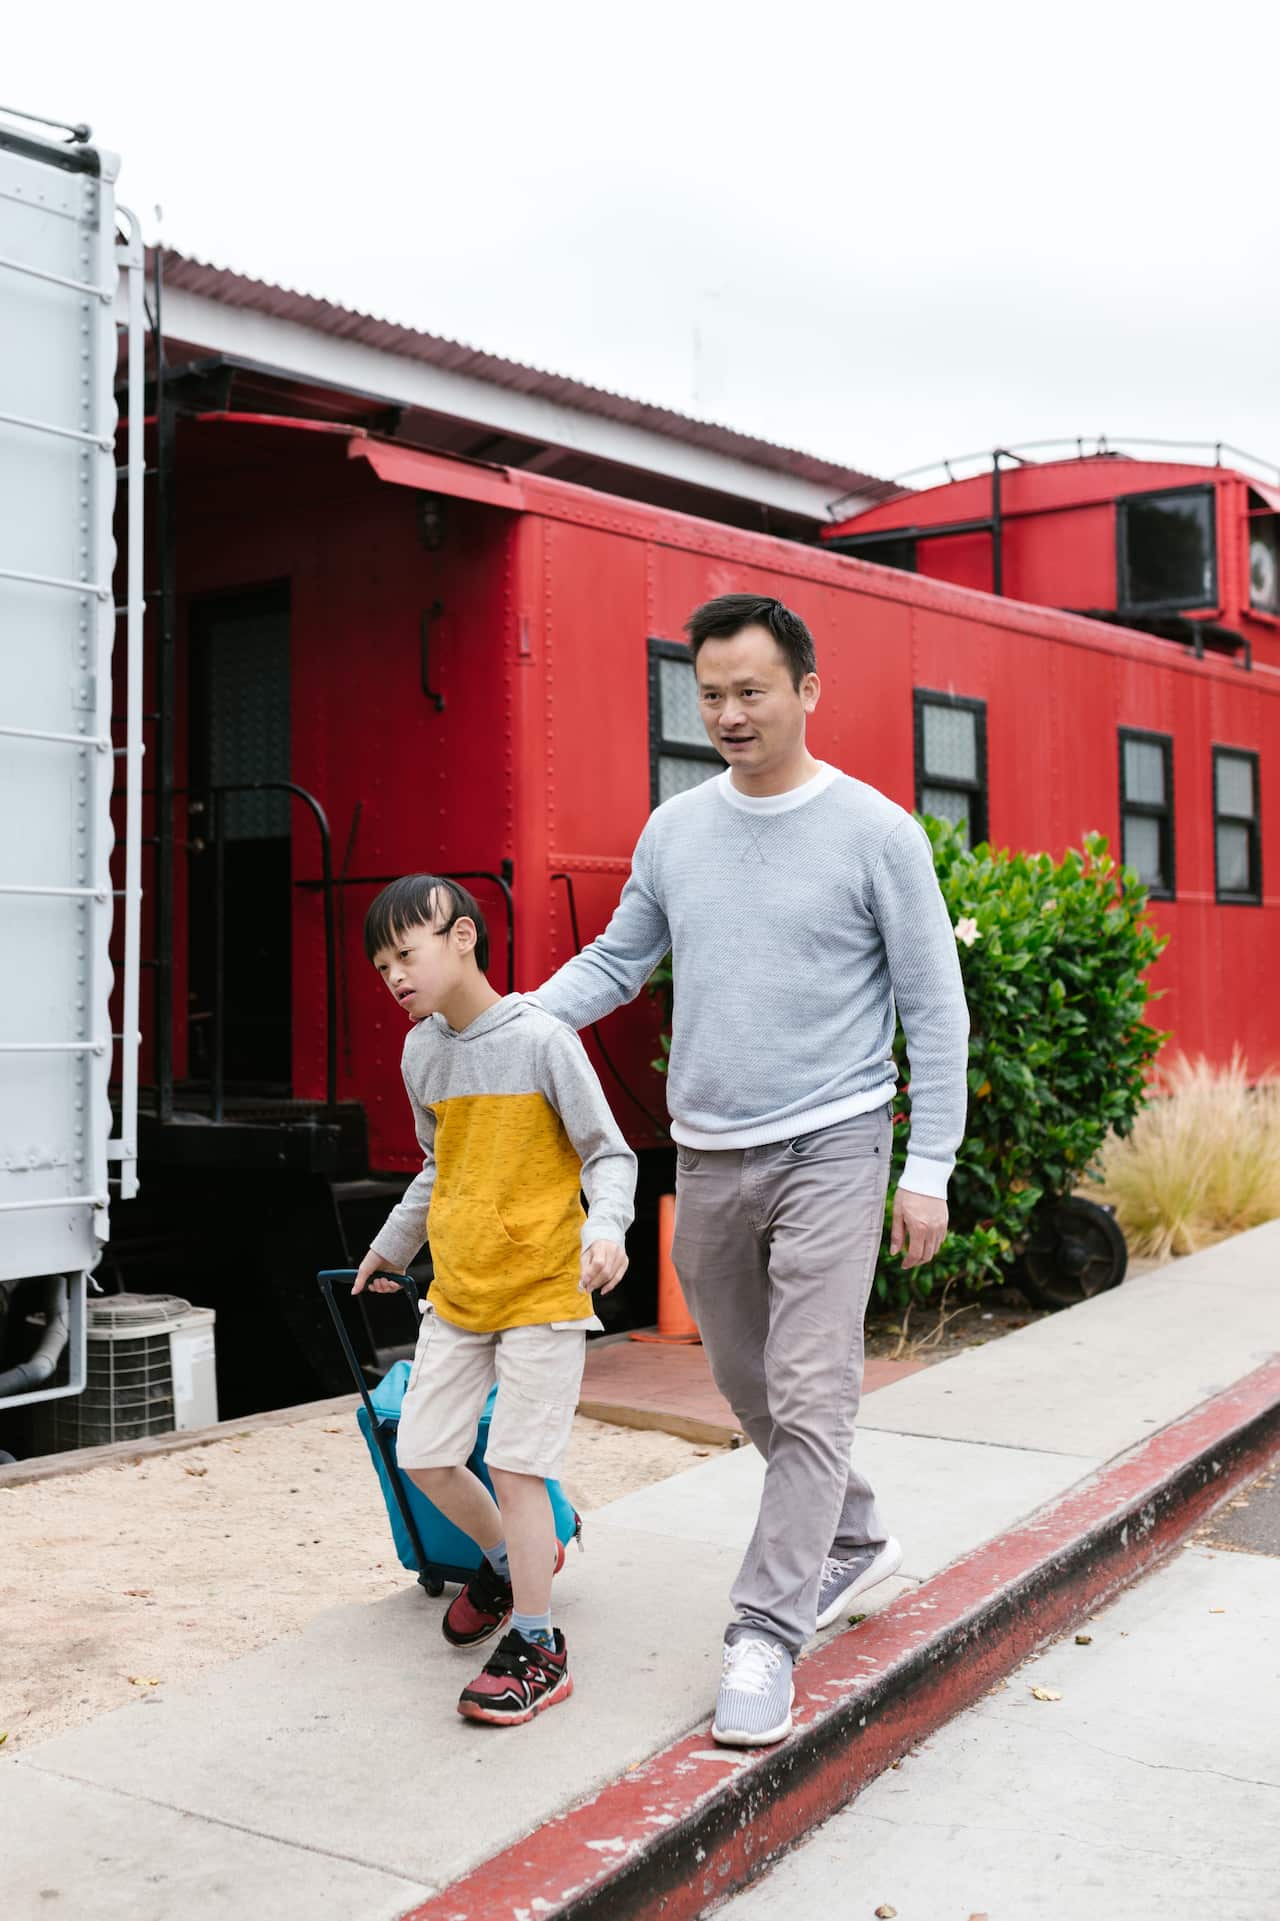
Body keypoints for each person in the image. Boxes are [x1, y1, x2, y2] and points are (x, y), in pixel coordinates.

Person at [533, 593, 969, 1747]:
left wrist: (927, 1163)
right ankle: (852, 1533)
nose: (727, 713)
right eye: (710, 694)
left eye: (750, 691)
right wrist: (516, 1022)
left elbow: (934, 1007)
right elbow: (617, 959)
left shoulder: (875, 832)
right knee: (750, 1385)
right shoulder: (675, 830)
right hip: (710, 1151)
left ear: (806, 690)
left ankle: (765, 1634)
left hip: (834, 1140)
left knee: (812, 1387)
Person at [352, 875, 636, 1726]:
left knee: (516, 1465)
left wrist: (607, 1229)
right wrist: (390, 1246)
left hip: (545, 1289)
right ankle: (511, 1563)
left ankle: (540, 1645)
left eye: (406, 954)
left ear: (464, 937)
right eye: (382, 966)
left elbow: (608, 1153)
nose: (395, 976)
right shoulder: (421, 1053)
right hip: (460, 1292)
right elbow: (438, 1165)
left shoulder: (544, 1039)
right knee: (423, 1453)